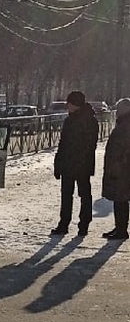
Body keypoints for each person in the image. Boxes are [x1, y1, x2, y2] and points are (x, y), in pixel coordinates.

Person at [52, 90, 99, 236]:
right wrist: (58, 163)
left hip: (80, 164)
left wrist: (74, 160)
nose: (67, 106)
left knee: (83, 194)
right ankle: (64, 224)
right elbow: (63, 143)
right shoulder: (71, 120)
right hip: (69, 164)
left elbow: (90, 145)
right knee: (68, 195)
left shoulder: (89, 121)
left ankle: (83, 224)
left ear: (75, 104)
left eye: (69, 103)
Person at [101, 98, 130, 240]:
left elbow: (123, 149)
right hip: (121, 167)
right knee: (120, 200)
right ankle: (119, 227)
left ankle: (121, 230)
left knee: (121, 199)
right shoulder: (124, 124)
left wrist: (117, 166)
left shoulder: (125, 126)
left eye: (119, 109)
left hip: (122, 169)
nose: (116, 112)